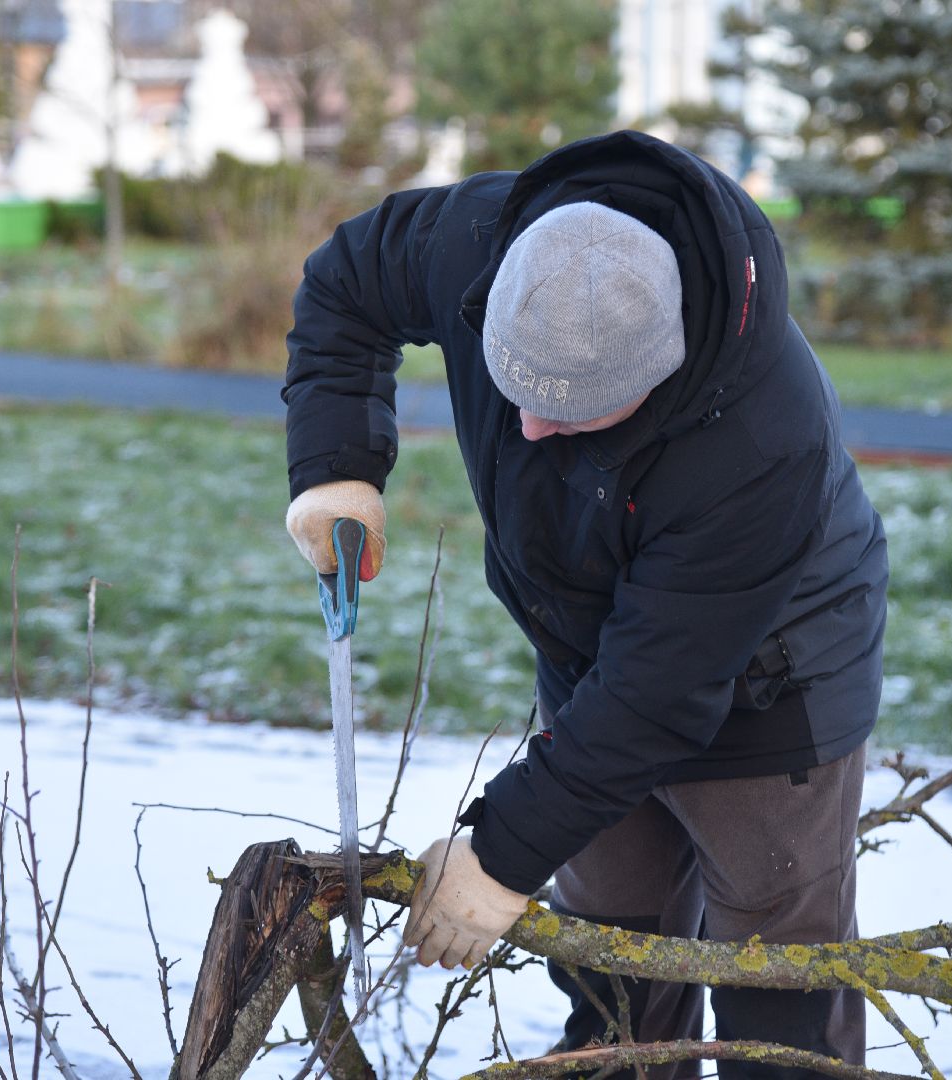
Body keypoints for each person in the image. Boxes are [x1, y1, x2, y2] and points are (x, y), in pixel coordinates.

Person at [282, 129, 888, 1080]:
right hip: (589, 660)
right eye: (513, 386)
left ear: (656, 377)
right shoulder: (485, 245)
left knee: (776, 1006)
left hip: (774, 686)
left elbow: (656, 693)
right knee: (612, 983)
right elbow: (346, 282)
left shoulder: (763, 441)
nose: (527, 428)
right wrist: (336, 466)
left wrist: (499, 856)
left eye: (567, 411)